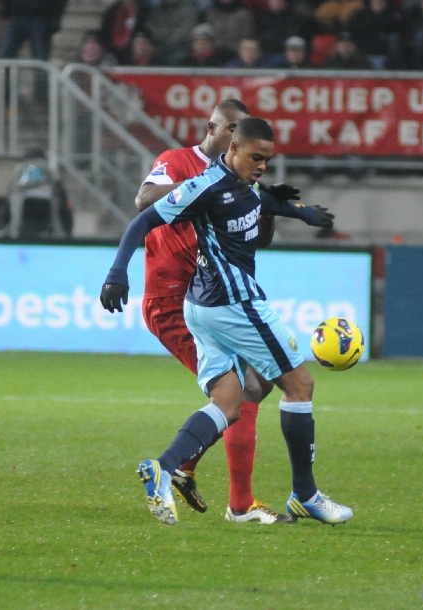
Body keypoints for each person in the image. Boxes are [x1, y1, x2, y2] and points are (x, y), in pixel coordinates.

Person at [101, 117, 352, 527]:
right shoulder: (204, 186)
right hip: (234, 301)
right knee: (300, 384)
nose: (262, 167)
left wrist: (300, 212)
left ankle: (163, 469)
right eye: (256, 157)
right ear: (232, 148)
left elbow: (261, 200)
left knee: (230, 401)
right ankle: (305, 495)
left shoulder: (243, 184)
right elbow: (144, 219)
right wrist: (117, 272)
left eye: (268, 160)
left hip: (202, 307)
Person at [131, 100, 288, 525]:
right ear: (212, 129)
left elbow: (259, 240)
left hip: (207, 298)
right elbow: (143, 199)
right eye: (230, 129)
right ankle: (223, 495)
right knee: (243, 389)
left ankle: (192, 473)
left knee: (255, 384)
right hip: (170, 301)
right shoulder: (178, 161)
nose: (237, 139)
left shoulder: (238, 183)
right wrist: (205, 185)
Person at [143, 0, 197, 65]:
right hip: (157, 47)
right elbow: (151, 29)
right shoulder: (156, 9)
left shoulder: (188, 10)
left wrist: (164, 34)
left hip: (180, 48)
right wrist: (170, 32)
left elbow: (185, 32)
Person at [97, 0, 144, 65]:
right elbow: (104, 33)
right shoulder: (112, 11)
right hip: (112, 52)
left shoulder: (142, 11)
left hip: (132, 52)